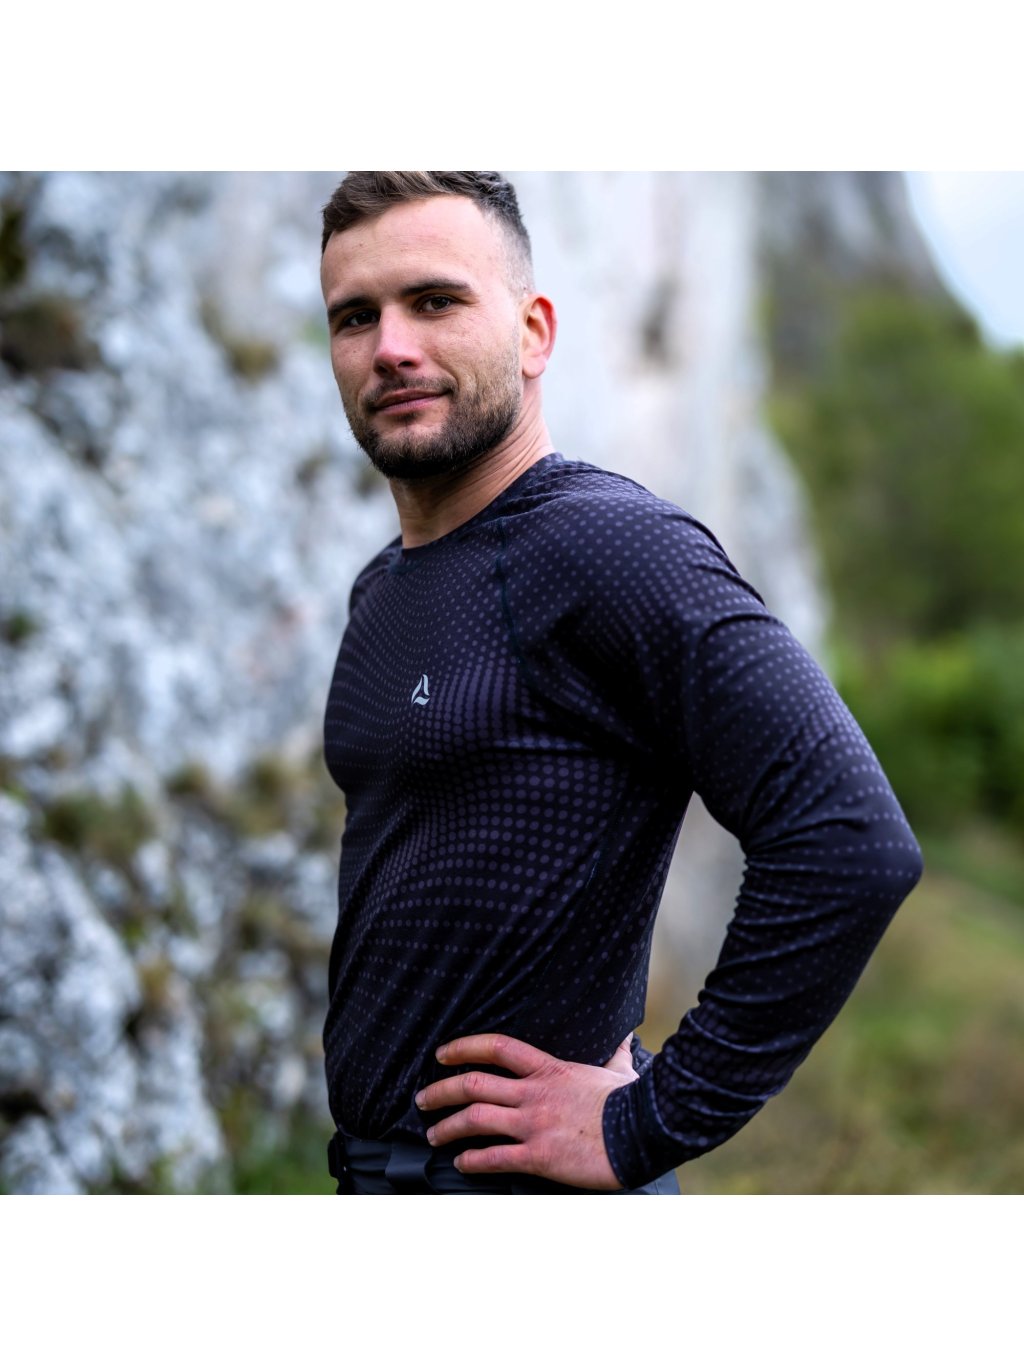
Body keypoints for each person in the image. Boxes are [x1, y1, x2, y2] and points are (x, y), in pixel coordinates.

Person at [317, 172, 923, 1195]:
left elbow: (850, 840)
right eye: (354, 316)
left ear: (533, 333)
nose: (391, 347)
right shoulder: (382, 589)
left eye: (435, 301)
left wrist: (651, 1121)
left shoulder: (612, 549)